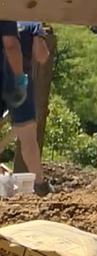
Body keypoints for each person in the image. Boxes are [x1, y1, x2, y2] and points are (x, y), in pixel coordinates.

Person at [0, 20, 46, 195]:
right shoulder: (32, 23)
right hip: (16, 80)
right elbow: (42, 55)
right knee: (27, 135)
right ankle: (39, 184)